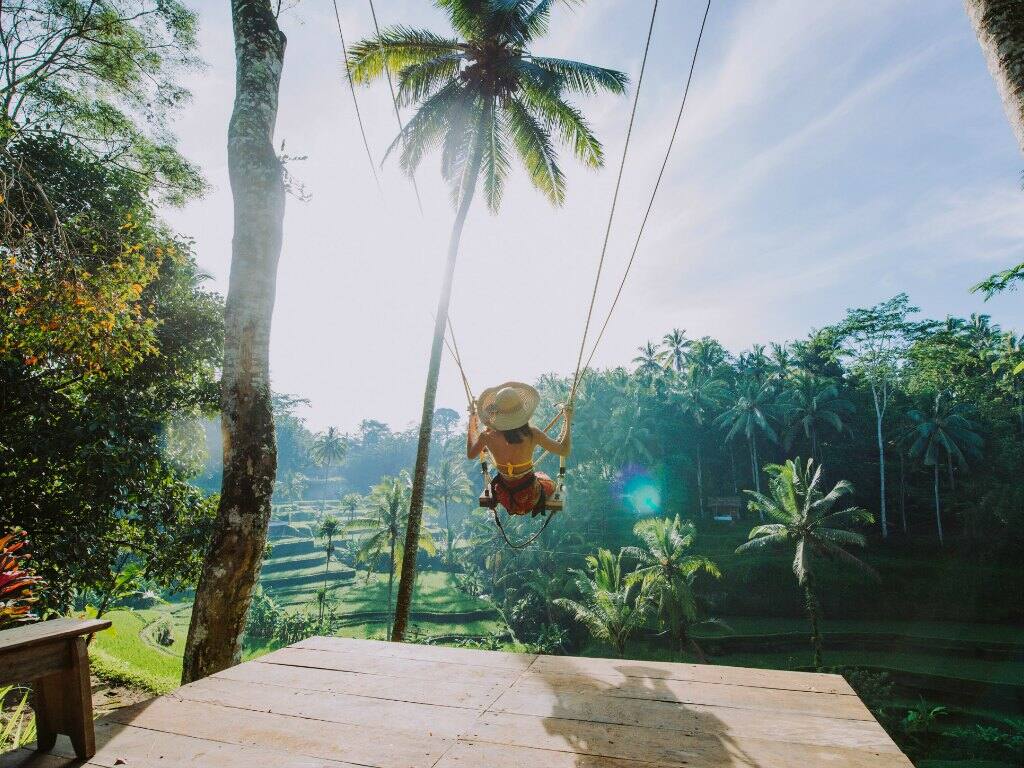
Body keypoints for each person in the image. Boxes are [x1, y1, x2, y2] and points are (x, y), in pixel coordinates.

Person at [467, 381, 572, 516]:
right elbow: (564, 450)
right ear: (522, 410)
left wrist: (472, 419)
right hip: (529, 497)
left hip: (504, 496)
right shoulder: (532, 434)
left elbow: (471, 454)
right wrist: (568, 420)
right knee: (545, 479)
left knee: (528, 479)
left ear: (497, 413)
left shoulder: (487, 436)